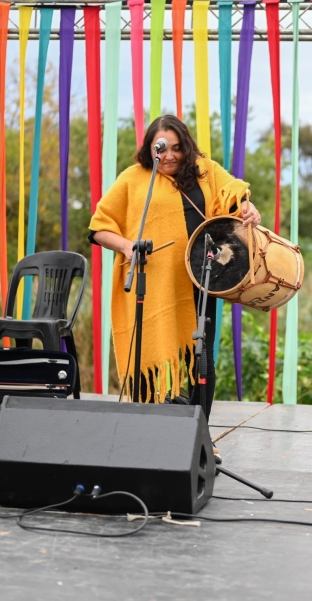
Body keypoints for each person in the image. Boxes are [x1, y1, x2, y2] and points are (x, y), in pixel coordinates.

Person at [89, 115, 260, 421]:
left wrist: (248, 207)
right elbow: (99, 227)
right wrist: (128, 246)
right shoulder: (133, 178)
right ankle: (148, 429)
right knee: (147, 353)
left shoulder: (205, 172)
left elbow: (234, 196)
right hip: (153, 284)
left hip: (202, 279)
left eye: (177, 148)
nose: (169, 155)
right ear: (150, 148)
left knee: (200, 357)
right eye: (162, 148)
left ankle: (200, 436)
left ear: (187, 147)